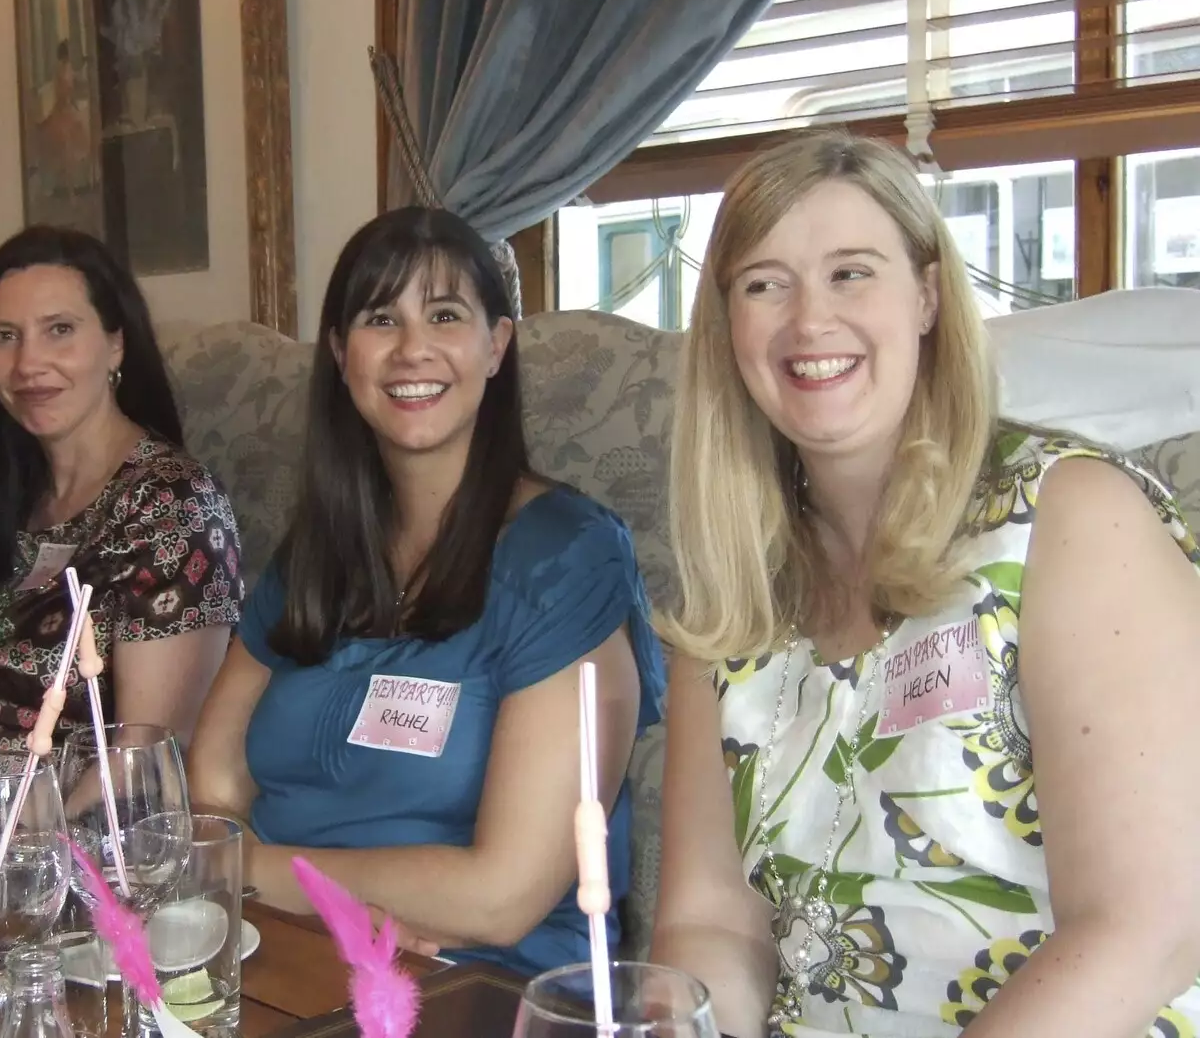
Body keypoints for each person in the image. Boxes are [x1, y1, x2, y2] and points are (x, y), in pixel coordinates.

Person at [649, 131, 1200, 1037]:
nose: (808, 321)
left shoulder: (1072, 520)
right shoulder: (731, 589)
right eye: (764, 283)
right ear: (728, 327)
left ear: (928, 295)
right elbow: (710, 922)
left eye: (851, 272)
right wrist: (679, 1021)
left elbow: (1146, 929)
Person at [187, 206, 665, 976]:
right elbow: (213, 779)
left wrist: (261, 874)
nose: (414, 348)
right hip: (285, 952)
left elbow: (501, 896)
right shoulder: (315, 551)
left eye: (445, 314)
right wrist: (325, 906)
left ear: (496, 346)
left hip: (479, 981)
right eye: (382, 318)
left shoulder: (567, 557)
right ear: (342, 355)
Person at [0, 226, 243, 786]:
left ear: (115, 343)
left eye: (59, 330)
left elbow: (146, 763)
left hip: (89, 846)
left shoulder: (175, 505)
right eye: (5, 336)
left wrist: (6, 849)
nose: (29, 362)